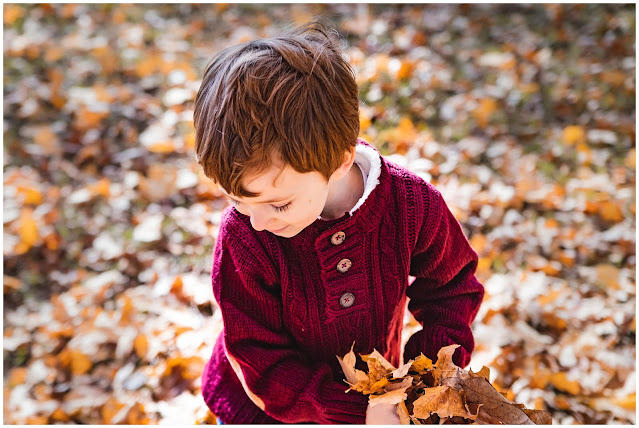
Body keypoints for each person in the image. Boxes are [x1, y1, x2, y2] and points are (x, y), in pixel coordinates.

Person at [193, 21, 485, 424]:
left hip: (380, 399)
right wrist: (357, 411)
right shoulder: (245, 237)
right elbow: (259, 357)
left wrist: (422, 387)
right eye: (239, 201)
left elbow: (452, 291)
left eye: (278, 205)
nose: (256, 221)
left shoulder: (411, 206)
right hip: (266, 409)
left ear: (340, 161)